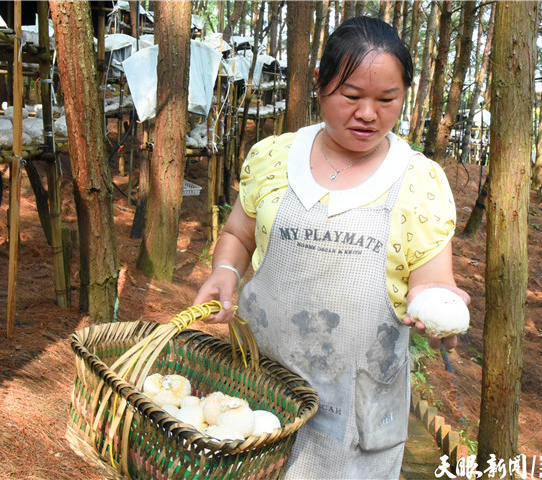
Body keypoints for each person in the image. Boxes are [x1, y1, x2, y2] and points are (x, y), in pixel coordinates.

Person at [194, 16, 470, 480]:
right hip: (262, 392)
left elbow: (433, 282)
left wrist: (440, 313)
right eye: (351, 96)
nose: (369, 114)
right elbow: (239, 234)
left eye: (387, 100)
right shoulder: (274, 157)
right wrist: (226, 270)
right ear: (320, 84)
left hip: (355, 416)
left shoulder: (418, 181)